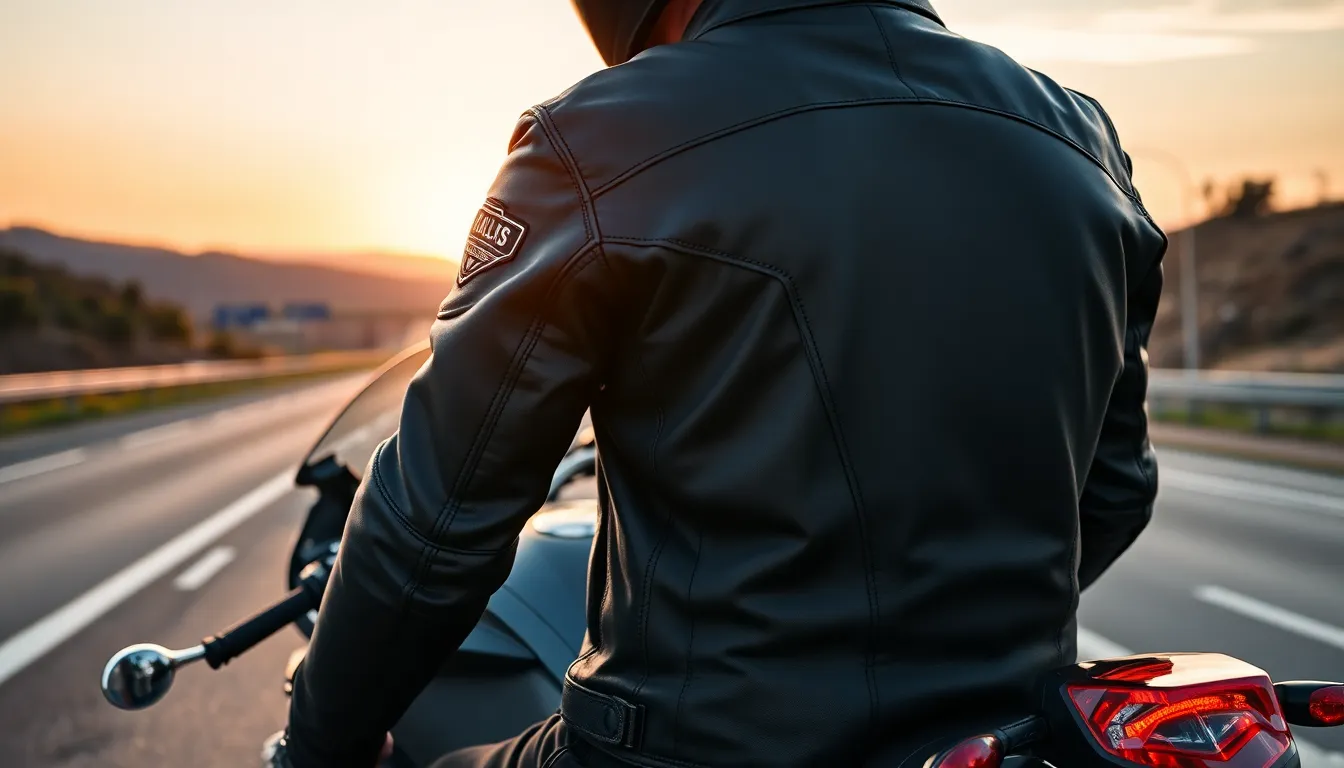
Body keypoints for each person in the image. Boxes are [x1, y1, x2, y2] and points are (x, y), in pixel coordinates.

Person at [279, 0, 1167, 766]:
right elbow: (1116, 488)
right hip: (1009, 739)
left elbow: (437, 520)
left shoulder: (601, 137)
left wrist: (322, 746)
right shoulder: (1079, 140)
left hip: (690, 748)